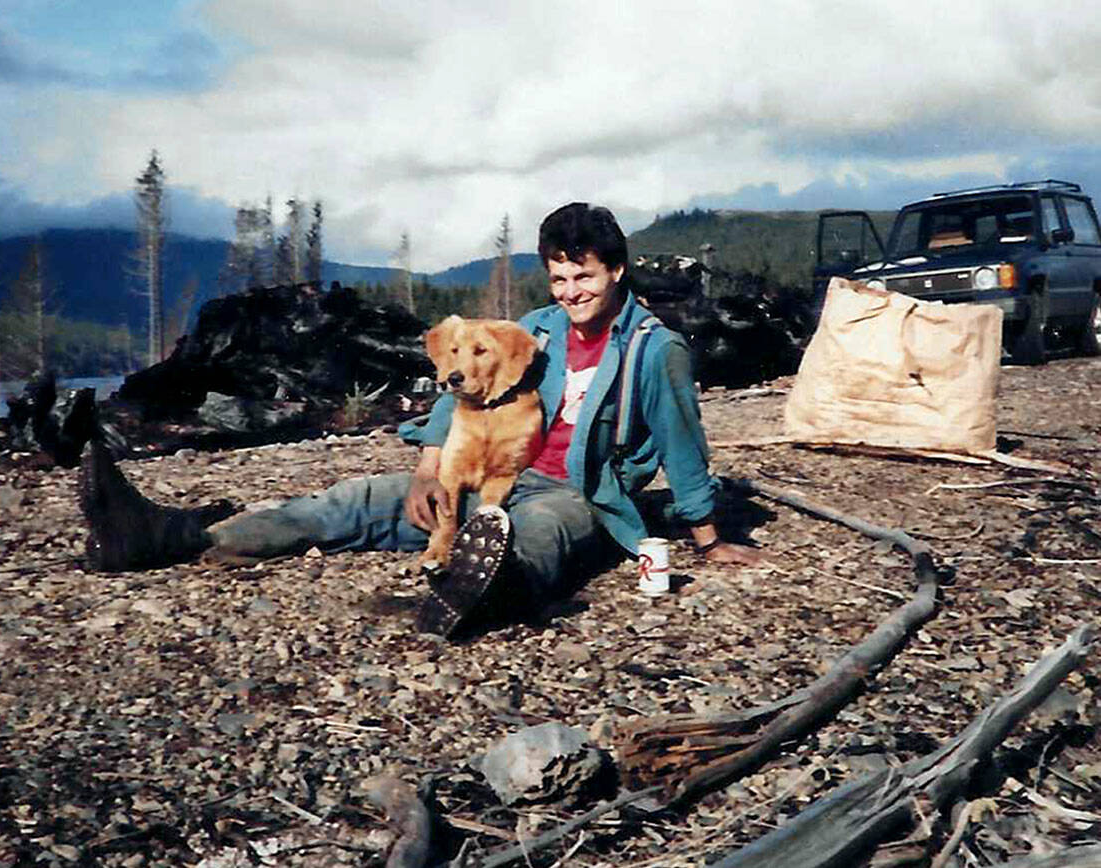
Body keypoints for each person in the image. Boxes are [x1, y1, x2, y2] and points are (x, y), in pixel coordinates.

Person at [79, 202, 763, 635]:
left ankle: (481, 591)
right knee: (351, 502)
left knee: (539, 533)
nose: (571, 292)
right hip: (488, 465)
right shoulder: (533, 329)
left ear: (615, 270)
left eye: (583, 276)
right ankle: (170, 537)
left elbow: (681, 443)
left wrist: (706, 538)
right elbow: (459, 392)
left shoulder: (654, 349)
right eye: (558, 278)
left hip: (579, 493)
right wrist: (427, 468)